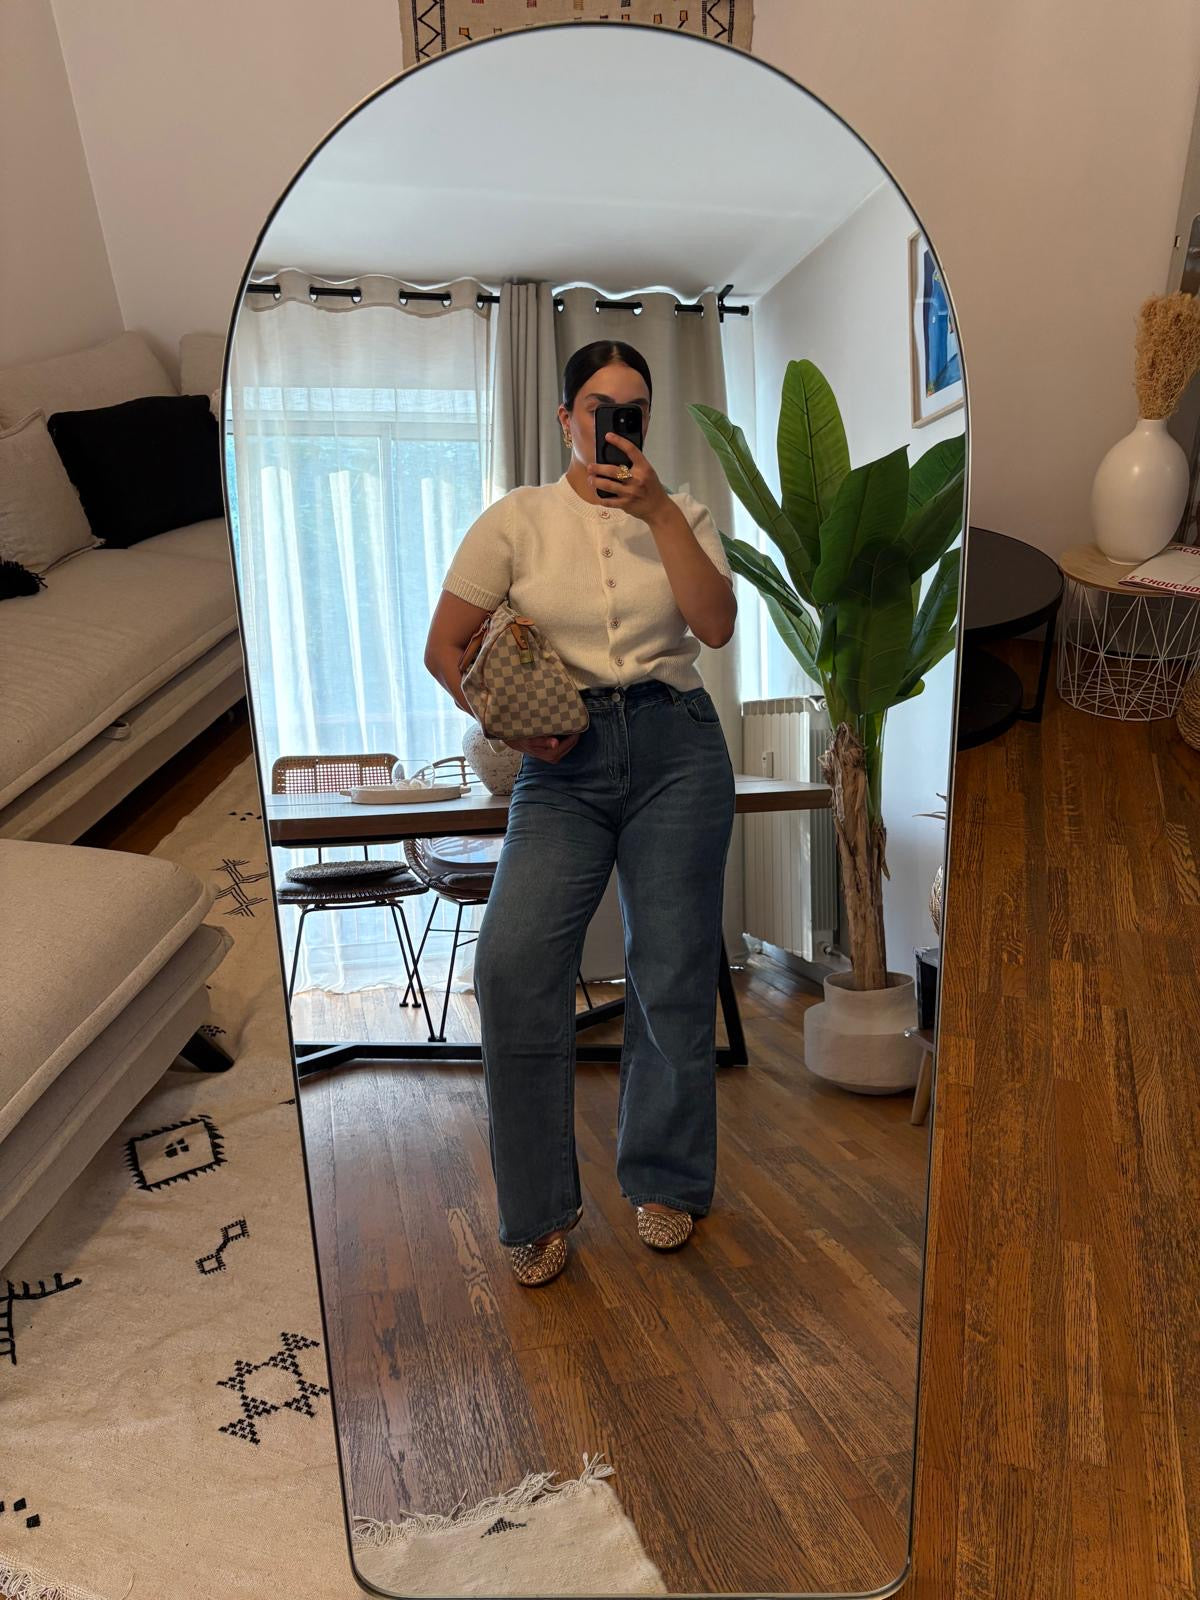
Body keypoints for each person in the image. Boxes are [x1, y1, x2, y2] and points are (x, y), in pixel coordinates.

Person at [424, 339, 737, 1286]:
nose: (616, 423)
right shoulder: (516, 520)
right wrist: (512, 729)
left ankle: (667, 1181)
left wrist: (658, 512)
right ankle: (536, 1210)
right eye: (600, 407)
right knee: (514, 965)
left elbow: (715, 625)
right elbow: (445, 649)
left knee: (672, 969)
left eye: (633, 409)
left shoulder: (683, 513)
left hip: (678, 747)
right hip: (563, 764)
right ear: (567, 418)